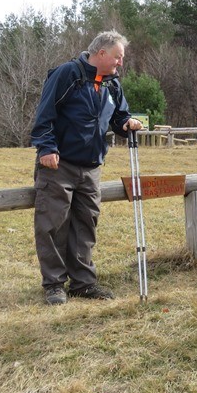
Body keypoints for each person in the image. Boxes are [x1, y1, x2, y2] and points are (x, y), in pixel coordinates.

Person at [31, 30, 143, 306]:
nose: (120, 63)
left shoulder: (112, 84)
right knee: (53, 224)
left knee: (86, 225)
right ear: (101, 53)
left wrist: (128, 122)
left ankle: (83, 283)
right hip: (60, 164)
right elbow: (45, 114)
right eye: (117, 57)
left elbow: (119, 116)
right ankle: (55, 285)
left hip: (92, 166)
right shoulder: (68, 74)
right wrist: (46, 147)